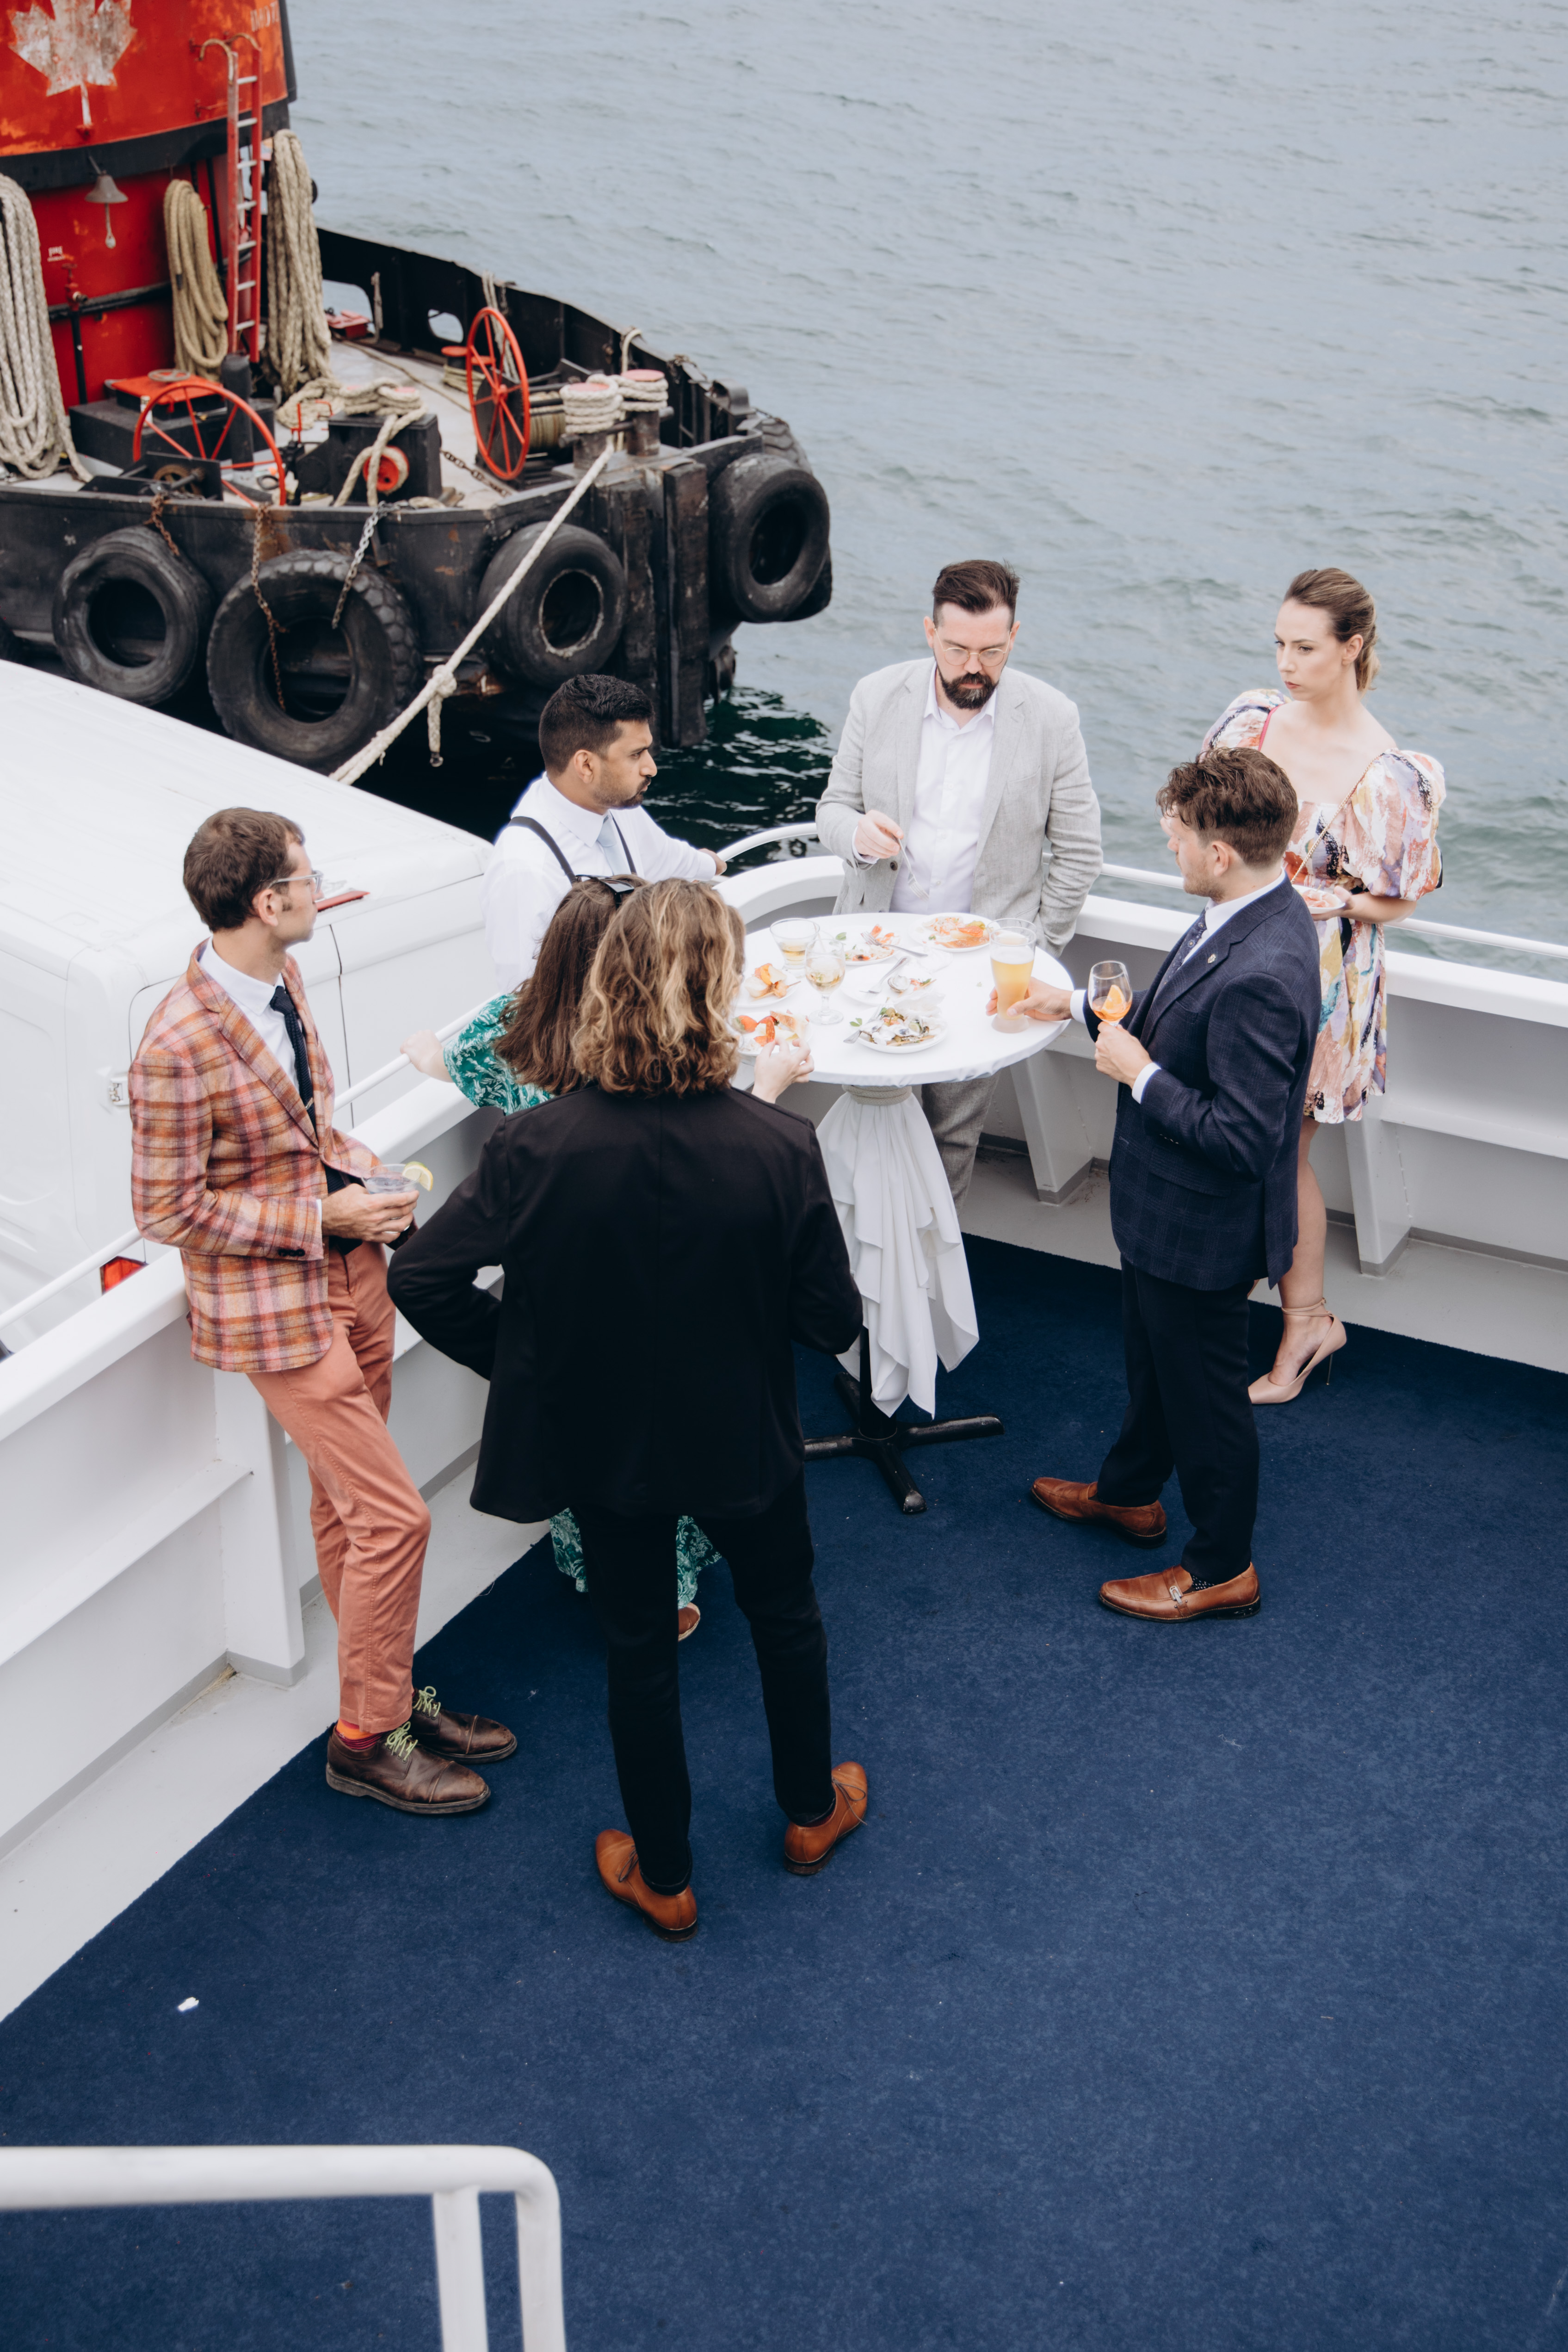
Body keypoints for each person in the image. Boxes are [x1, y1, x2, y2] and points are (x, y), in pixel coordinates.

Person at [389, 879, 865, 1941]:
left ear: (609, 986)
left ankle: (666, 1875)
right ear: (720, 992)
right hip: (741, 1435)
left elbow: (420, 1277)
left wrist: (531, 1369)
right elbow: (831, 1321)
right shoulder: (775, 1146)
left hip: (603, 1443)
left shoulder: (534, 1144)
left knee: (640, 1651)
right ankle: (809, 1813)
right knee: (786, 1617)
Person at [130, 808, 515, 1817]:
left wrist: (363, 1184)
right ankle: (364, 1741)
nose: (318, 885)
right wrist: (320, 1215)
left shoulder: (285, 981)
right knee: (395, 1515)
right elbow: (166, 1210)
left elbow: (307, 1132)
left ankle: (385, 1696)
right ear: (269, 902)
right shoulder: (174, 1044)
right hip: (275, 1309)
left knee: (348, 1508)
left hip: (354, 1271)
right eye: (307, 875)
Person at [401, 875, 815, 1638]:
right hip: (662, 1287)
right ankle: (675, 1580)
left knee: (590, 1454)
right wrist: (765, 1096)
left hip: (563, 1302)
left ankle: (605, 1573)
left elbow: (453, 1068)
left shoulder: (511, 1030)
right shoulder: (640, 1064)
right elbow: (704, 1156)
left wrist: (513, 1356)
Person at [1009, 748, 1321, 1623]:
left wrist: (1138, 1074)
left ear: (1219, 852)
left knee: (1206, 1401)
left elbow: (1244, 1139)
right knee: (1154, 1366)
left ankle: (1222, 1569)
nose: (1169, 847)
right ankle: (1129, 1494)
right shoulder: (1251, 907)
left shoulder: (1265, 973)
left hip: (1201, 1230)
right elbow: (1184, 1007)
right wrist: (1078, 1008)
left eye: (1177, 836)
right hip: (1164, 1216)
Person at [1204, 568, 1445, 1403]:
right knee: (1219, 1130)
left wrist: (1334, 900)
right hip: (1231, 953)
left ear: (1352, 648)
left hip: (1322, 977)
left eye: (1304, 648)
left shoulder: (1391, 773)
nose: (1285, 662)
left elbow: (1401, 900)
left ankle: (1306, 1321)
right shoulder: (1252, 722)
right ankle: (1222, 1300)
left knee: (1280, 1151)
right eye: (1279, 643)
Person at [814, 557, 1103, 1204]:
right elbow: (832, 809)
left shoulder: (1053, 718)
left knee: (952, 1132)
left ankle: (933, 1257)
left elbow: (1080, 851)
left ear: (1014, 637)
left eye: (991, 652)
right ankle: (862, 1252)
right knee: (873, 1115)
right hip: (875, 952)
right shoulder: (875, 696)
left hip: (983, 964)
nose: (974, 667)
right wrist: (856, 834)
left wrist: (1032, 947)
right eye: (957, 650)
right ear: (930, 632)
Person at [483, 672, 726, 990]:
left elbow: (665, 859)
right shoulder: (526, 870)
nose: (651, 768)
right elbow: (525, 999)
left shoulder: (617, 808)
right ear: (586, 765)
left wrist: (711, 864)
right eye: (636, 754)